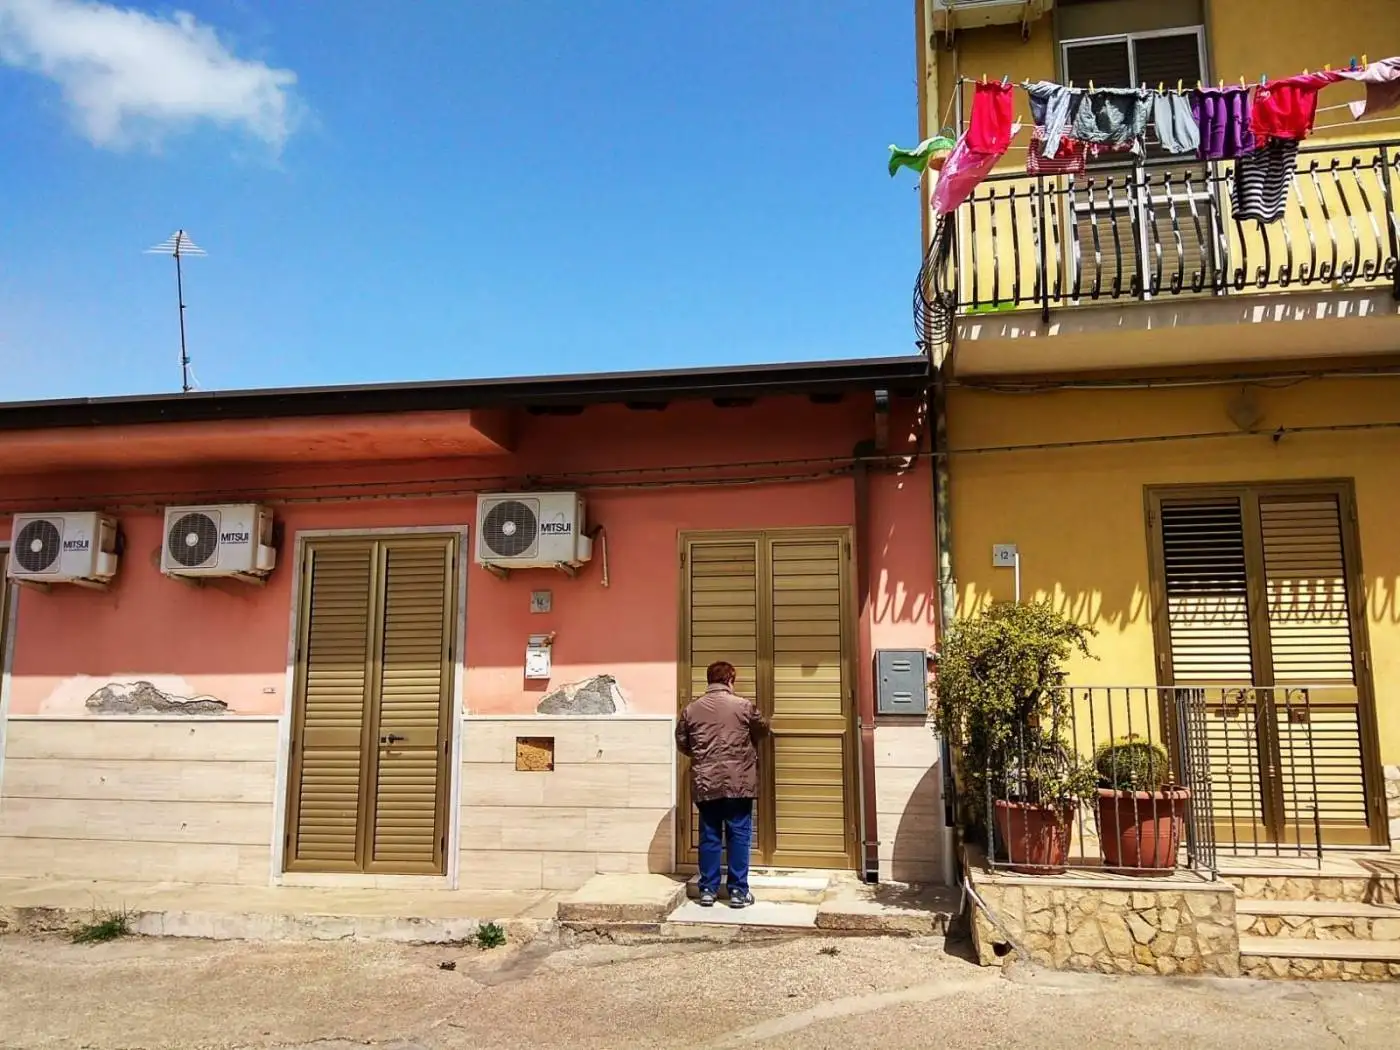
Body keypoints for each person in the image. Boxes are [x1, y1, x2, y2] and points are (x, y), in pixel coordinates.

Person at [675, 660, 770, 908]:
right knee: (739, 835)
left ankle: (707, 890)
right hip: (739, 781)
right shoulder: (743, 706)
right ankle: (738, 892)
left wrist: (703, 758)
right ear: (730, 680)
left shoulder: (691, 710)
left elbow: (682, 742)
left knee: (710, 835)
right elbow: (762, 730)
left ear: (709, 680)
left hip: (706, 783)